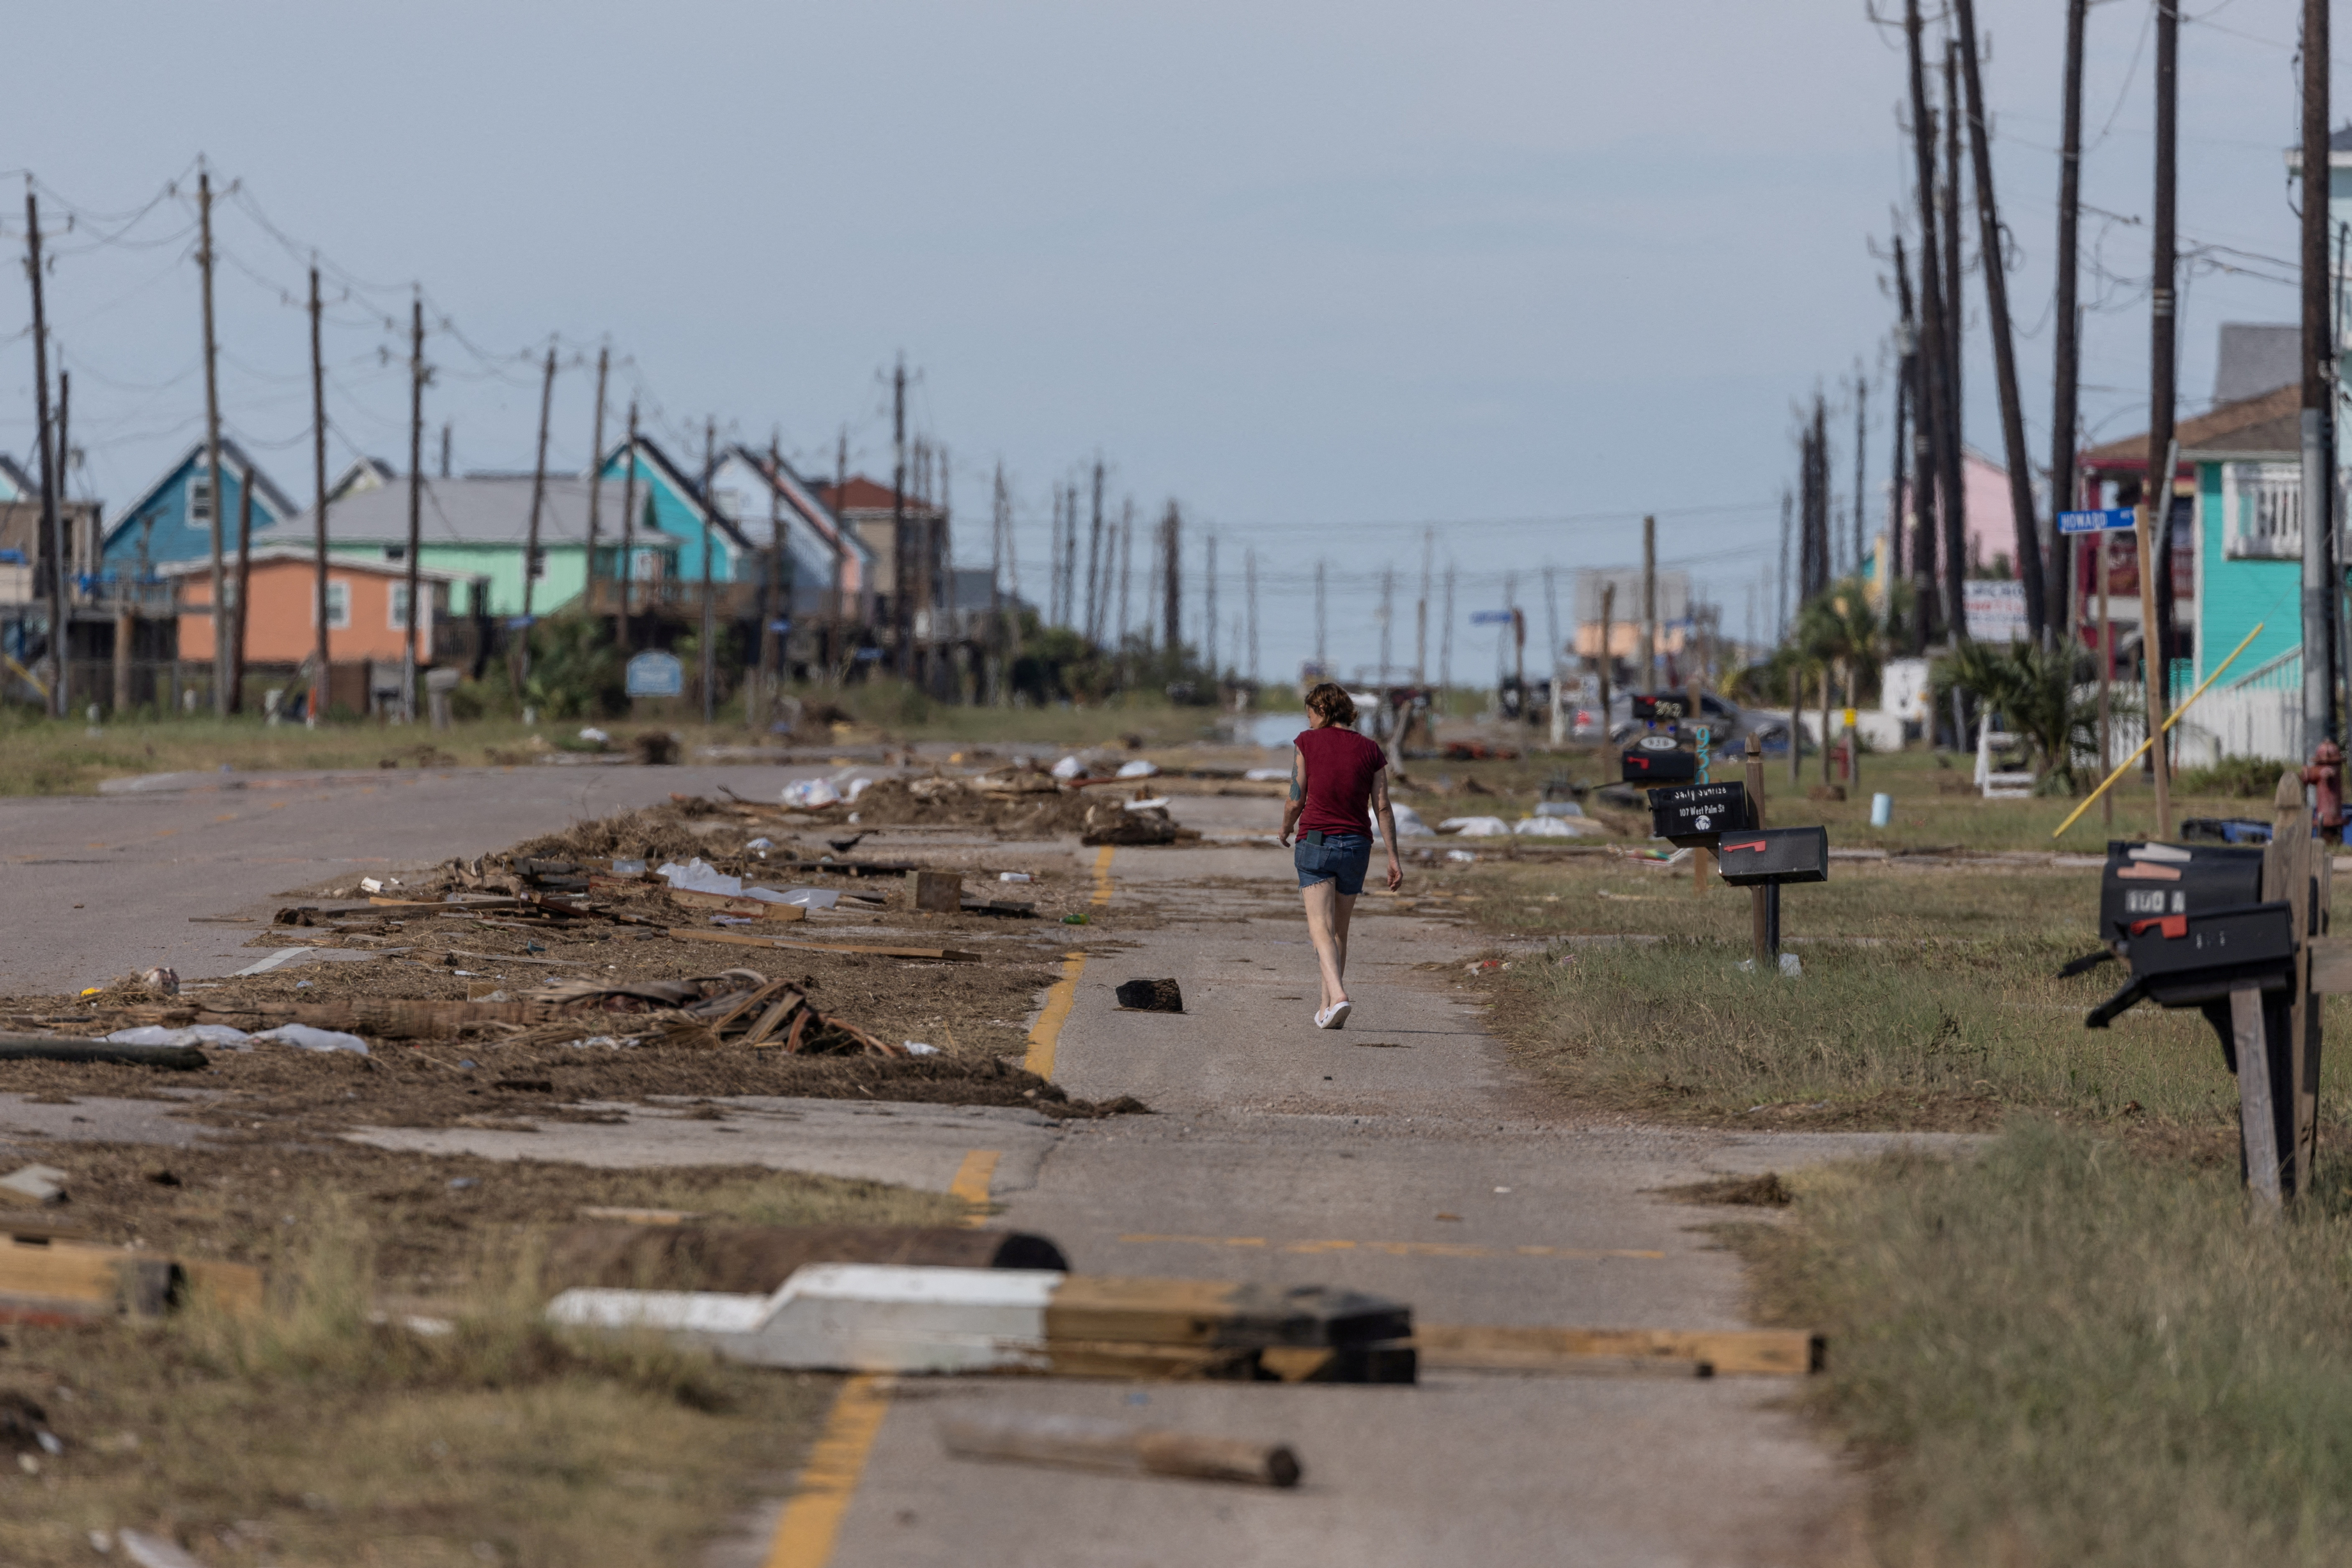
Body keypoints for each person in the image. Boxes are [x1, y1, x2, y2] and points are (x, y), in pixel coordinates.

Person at [1278, 682, 1403, 1029]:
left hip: (1316, 843)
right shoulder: (1371, 750)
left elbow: (1295, 797)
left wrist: (1286, 827)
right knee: (1339, 933)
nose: (1310, 720)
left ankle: (1339, 994)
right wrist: (1394, 858)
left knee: (1320, 927)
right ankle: (1326, 1008)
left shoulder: (1307, 742)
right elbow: (1383, 807)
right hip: (1356, 846)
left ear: (1321, 711)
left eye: (1311, 714)